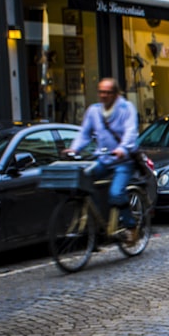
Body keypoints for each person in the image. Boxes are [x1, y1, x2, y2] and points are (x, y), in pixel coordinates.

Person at [64, 77, 140, 242]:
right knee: (84, 182)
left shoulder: (126, 108)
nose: (103, 95)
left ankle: (131, 226)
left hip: (123, 161)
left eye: (107, 92)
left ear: (115, 93)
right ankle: (99, 222)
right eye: (101, 92)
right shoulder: (94, 111)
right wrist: (75, 148)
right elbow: (85, 134)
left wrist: (122, 148)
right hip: (103, 159)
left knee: (116, 193)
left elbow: (130, 131)